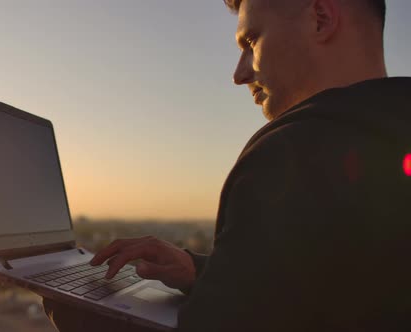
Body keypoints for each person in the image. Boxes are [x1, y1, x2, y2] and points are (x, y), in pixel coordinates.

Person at [44, 0, 411, 331]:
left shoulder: (291, 152)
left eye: (250, 42)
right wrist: (206, 272)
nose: (239, 74)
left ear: (320, 18)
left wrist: (75, 311)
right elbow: (344, 294)